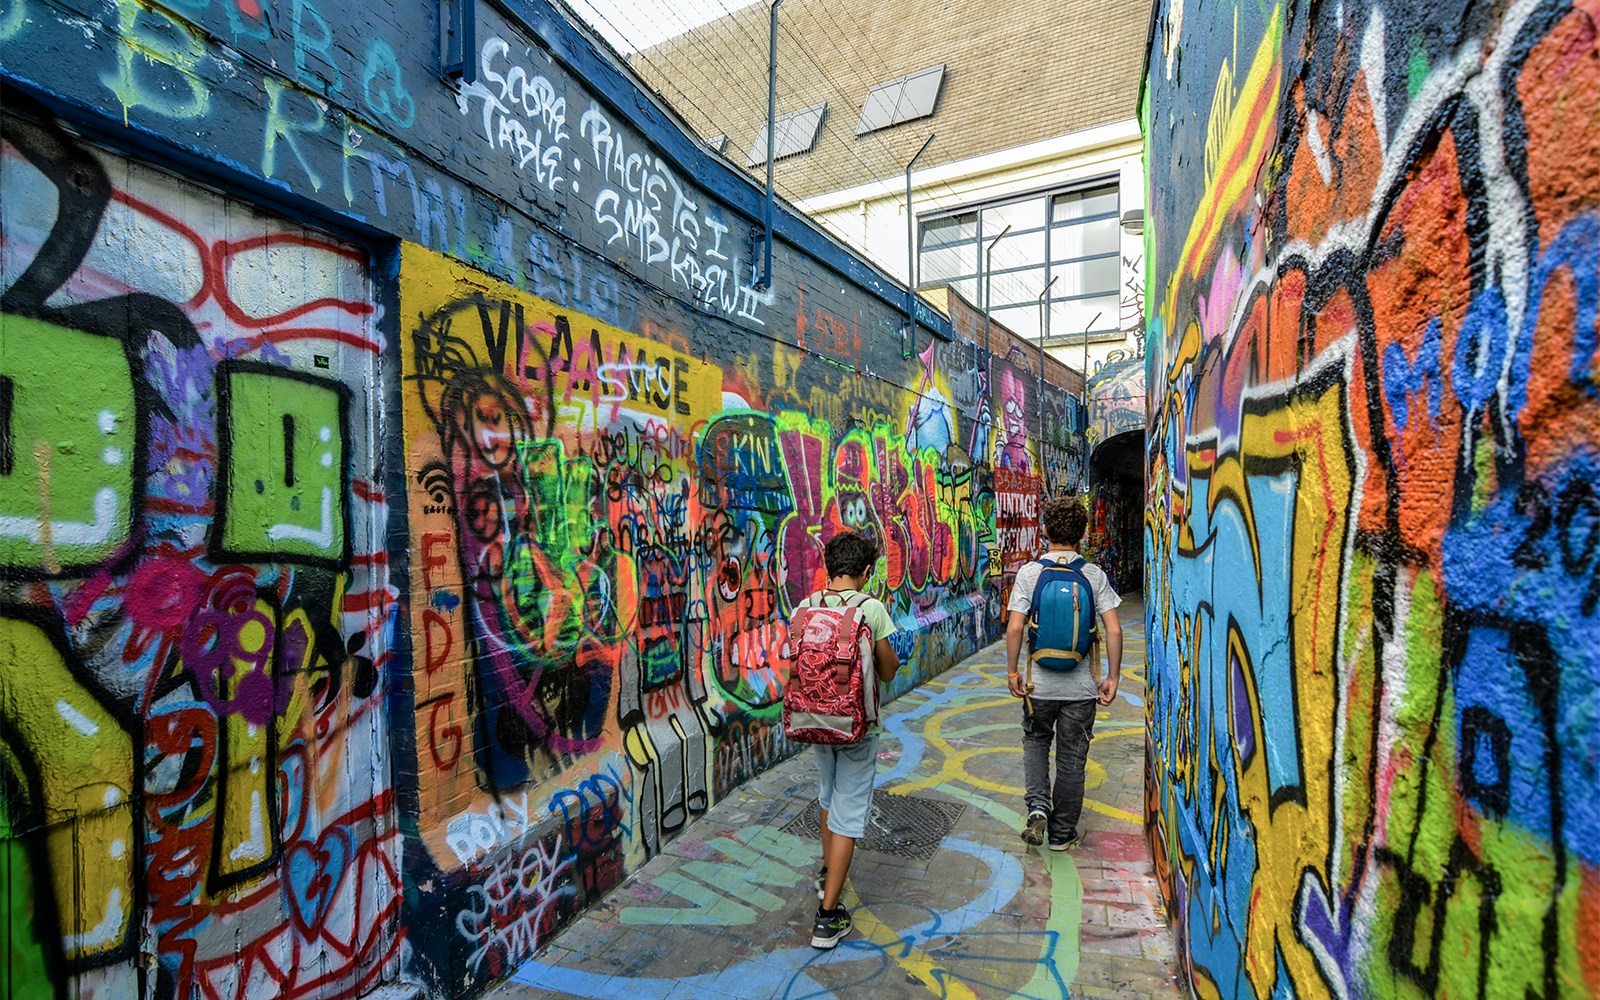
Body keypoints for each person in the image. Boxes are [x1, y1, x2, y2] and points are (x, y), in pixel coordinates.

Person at [1004, 496, 1122, 852]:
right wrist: (1112, 677)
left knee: (1036, 742)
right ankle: (1061, 833)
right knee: (1072, 757)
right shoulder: (1092, 574)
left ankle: (1038, 806)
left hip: (1038, 687)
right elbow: (1114, 630)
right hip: (1081, 689)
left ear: (1045, 531)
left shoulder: (1030, 573)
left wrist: (1012, 672)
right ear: (1082, 534)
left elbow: (1014, 628)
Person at [806, 530, 900, 949]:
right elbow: (887, 671)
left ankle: (828, 871)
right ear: (866, 572)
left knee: (828, 796)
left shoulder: (805, 606)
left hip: (815, 719)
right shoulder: (871, 608)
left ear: (828, 568)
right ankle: (828, 917)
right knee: (849, 811)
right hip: (858, 727)